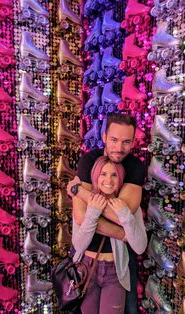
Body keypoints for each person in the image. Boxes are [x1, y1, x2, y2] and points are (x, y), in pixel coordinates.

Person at [68, 113, 146, 314]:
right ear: (104, 137)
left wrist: (82, 193)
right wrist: (121, 233)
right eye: (114, 140)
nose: (119, 148)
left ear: (133, 141)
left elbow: (122, 215)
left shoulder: (135, 167)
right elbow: (81, 218)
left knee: (126, 308)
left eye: (126, 142)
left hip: (118, 259)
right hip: (85, 258)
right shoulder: (89, 160)